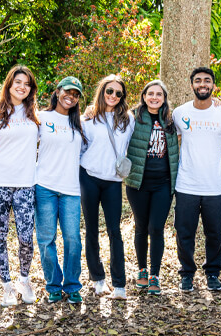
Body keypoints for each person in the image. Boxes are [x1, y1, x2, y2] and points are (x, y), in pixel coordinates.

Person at [173, 67, 221, 292]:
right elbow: (172, 141)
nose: (202, 84)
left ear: (213, 86)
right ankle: (187, 274)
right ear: (191, 85)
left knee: (215, 233)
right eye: (198, 81)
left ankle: (212, 273)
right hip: (186, 183)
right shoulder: (179, 113)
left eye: (207, 81)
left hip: (215, 184)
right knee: (184, 232)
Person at [0, 65, 40, 306]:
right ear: (9, 84)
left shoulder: (37, 114)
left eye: (27, 84)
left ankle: (24, 281)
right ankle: (6, 286)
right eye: (18, 82)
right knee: (0, 235)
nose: (22, 87)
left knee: (26, 237)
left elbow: (66, 118)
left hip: (26, 184)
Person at [80, 75, 134, 300]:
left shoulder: (128, 119)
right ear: (102, 91)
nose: (113, 96)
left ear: (122, 97)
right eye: (109, 91)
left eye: (118, 93)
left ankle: (119, 284)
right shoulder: (88, 118)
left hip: (113, 181)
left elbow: (154, 105)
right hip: (89, 177)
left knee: (115, 231)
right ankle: (98, 280)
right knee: (91, 230)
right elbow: (81, 147)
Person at [35, 77, 87, 304]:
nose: (71, 96)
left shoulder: (81, 123)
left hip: (71, 190)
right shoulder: (41, 118)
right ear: (57, 92)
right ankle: (53, 285)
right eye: (68, 91)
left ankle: (73, 286)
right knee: (46, 239)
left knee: (73, 239)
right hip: (44, 186)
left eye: (76, 94)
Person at [125, 80, 179, 295]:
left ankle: (155, 274)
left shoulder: (171, 120)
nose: (154, 97)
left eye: (159, 94)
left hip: (163, 184)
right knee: (141, 227)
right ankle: (142, 271)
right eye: (151, 93)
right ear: (144, 96)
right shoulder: (132, 117)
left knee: (157, 228)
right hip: (138, 183)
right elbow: (109, 118)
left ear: (164, 98)